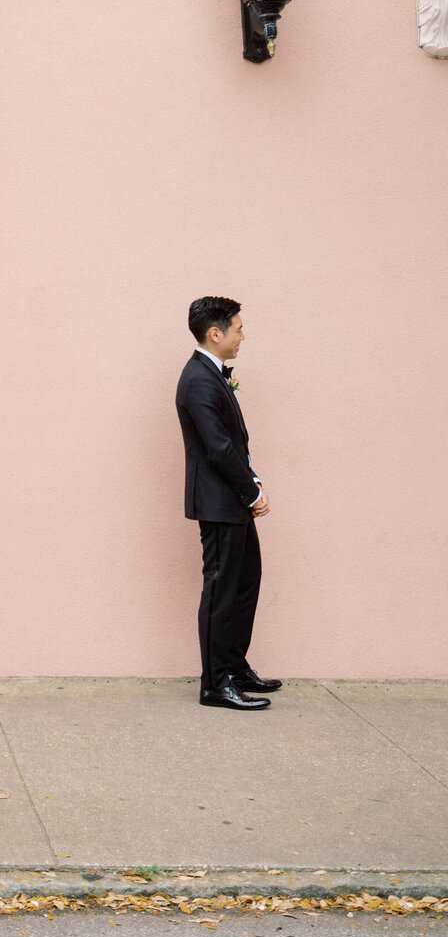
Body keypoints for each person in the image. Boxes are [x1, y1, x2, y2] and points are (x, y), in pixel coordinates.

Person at [176, 296, 281, 712]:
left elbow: (234, 442)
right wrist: (253, 492)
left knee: (245, 582)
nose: (243, 335)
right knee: (221, 591)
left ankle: (235, 668)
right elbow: (218, 449)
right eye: (238, 328)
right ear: (215, 333)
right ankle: (216, 685)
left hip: (232, 499)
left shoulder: (213, 374)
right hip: (219, 502)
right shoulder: (199, 379)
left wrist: (252, 481)